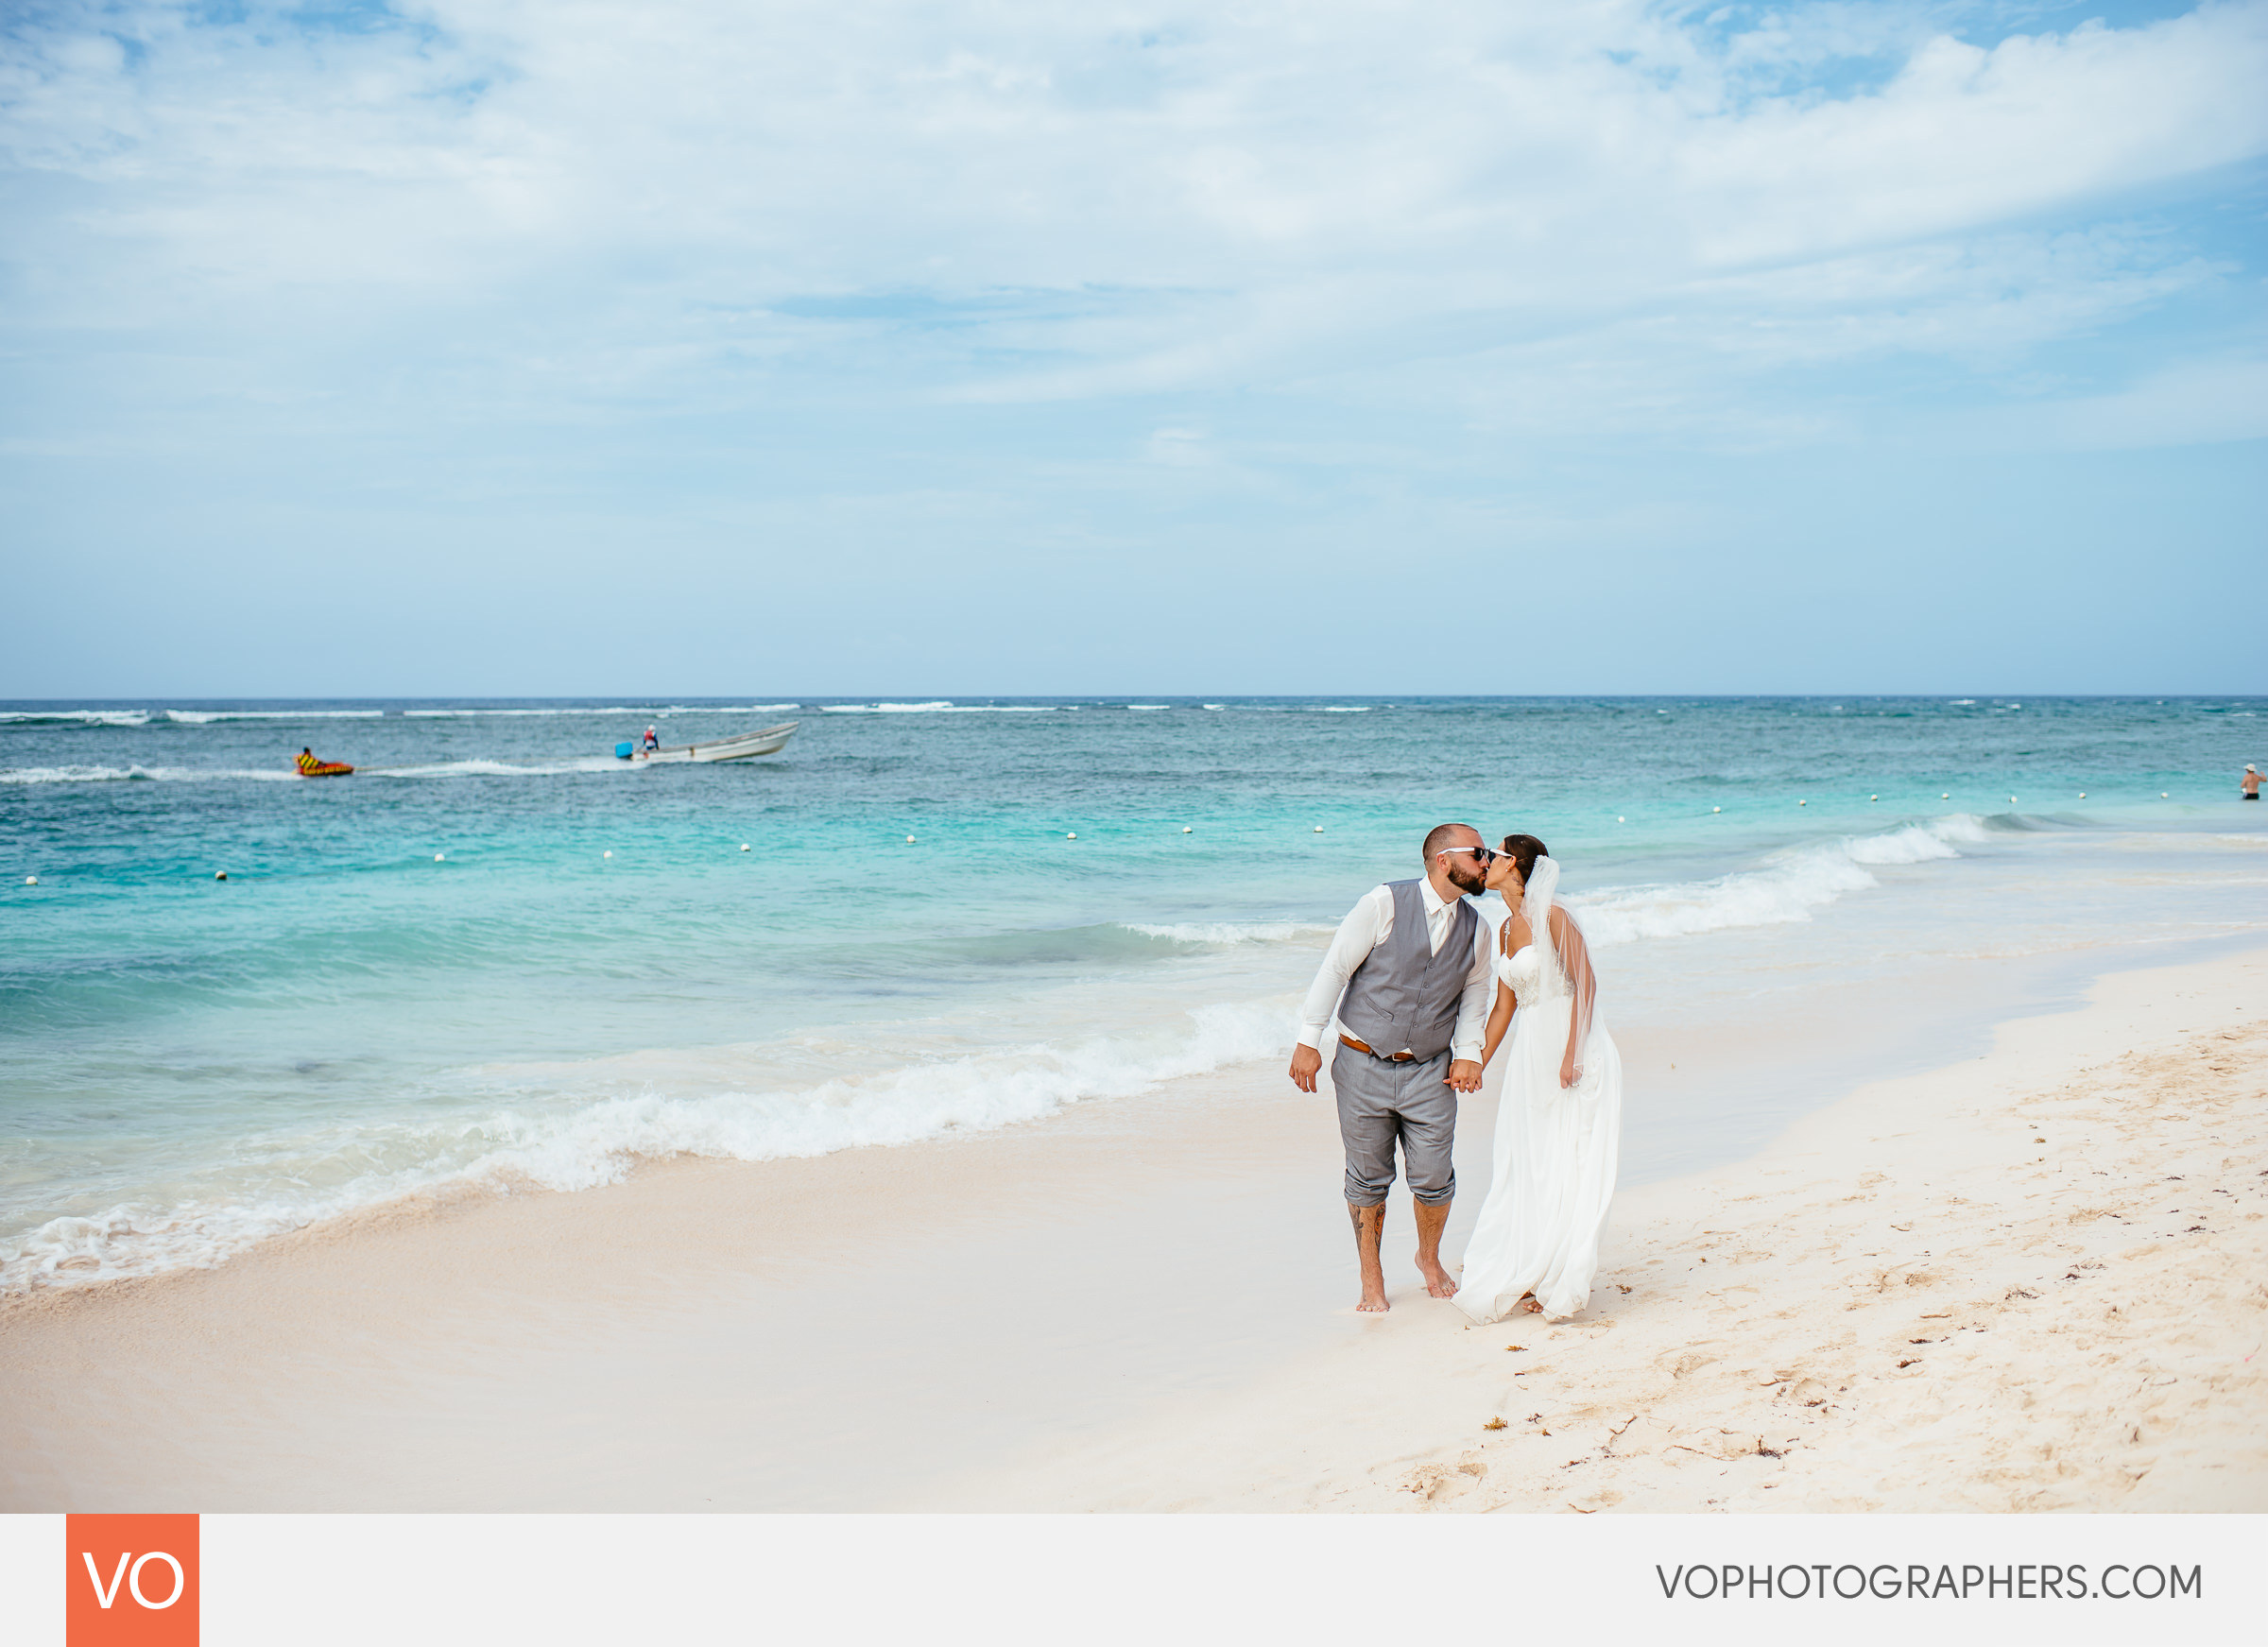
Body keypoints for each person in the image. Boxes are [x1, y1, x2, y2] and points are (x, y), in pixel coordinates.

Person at [1288, 822, 1493, 1312]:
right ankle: (1371, 1273)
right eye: (1479, 853)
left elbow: (1476, 995)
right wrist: (1307, 1040)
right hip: (1362, 1064)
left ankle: (1428, 1257)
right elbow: (1336, 968)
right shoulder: (1382, 903)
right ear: (1445, 860)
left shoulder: (1478, 928)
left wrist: (1469, 1052)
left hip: (1430, 1071)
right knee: (1366, 1177)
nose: (1488, 863)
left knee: (1434, 1176)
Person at [1452, 833, 1624, 1324]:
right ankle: (1532, 1264)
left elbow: (1586, 981)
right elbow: (1504, 1007)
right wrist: (1475, 1063)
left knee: (1570, 1157)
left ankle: (1561, 1274)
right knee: (1529, 1158)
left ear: (1519, 867)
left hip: (1573, 1042)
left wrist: (1574, 1052)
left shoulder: (1553, 916)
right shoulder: (1504, 929)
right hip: (1531, 1052)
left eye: (1497, 855)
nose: (1486, 861)